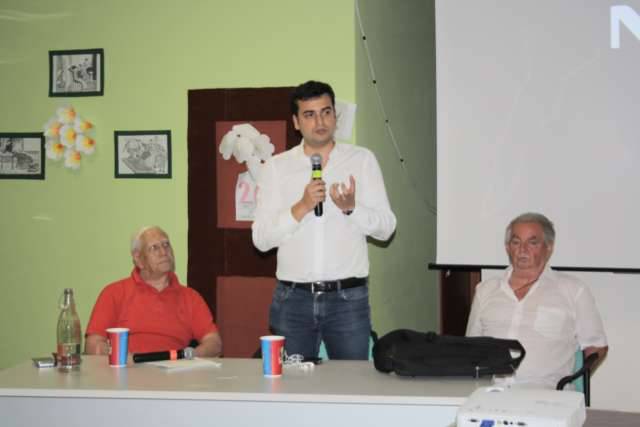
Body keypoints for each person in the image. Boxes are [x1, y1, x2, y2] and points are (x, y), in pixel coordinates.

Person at [252, 80, 396, 360]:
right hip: (293, 300)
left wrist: (352, 209)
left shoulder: (362, 160)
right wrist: (302, 207)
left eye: (326, 112)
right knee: (291, 383)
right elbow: (261, 240)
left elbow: (387, 228)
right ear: (296, 122)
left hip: (347, 300)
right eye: (310, 114)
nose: (320, 121)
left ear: (335, 116)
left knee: (351, 382)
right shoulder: (276, 168)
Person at [466, 212, 608, 389]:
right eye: (516, 242)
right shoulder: (485, 290)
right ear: (508, 248)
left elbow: (597, 347)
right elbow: (471, 346)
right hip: (491, 392)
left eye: (532, 243)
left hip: (547, 395)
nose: (522, 249)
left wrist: (576, 380)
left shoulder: (573, 290)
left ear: (548, 248)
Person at [85, 226, 222, 357]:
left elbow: (214, 343)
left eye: (166, 245)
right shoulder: (114, 293)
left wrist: (191, 356)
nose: (163, 252)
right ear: (138, 258)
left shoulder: (190, 297)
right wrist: (118, 356)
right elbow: (92, 345)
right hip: (128, 368)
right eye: (154, 248)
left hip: (174, 369)